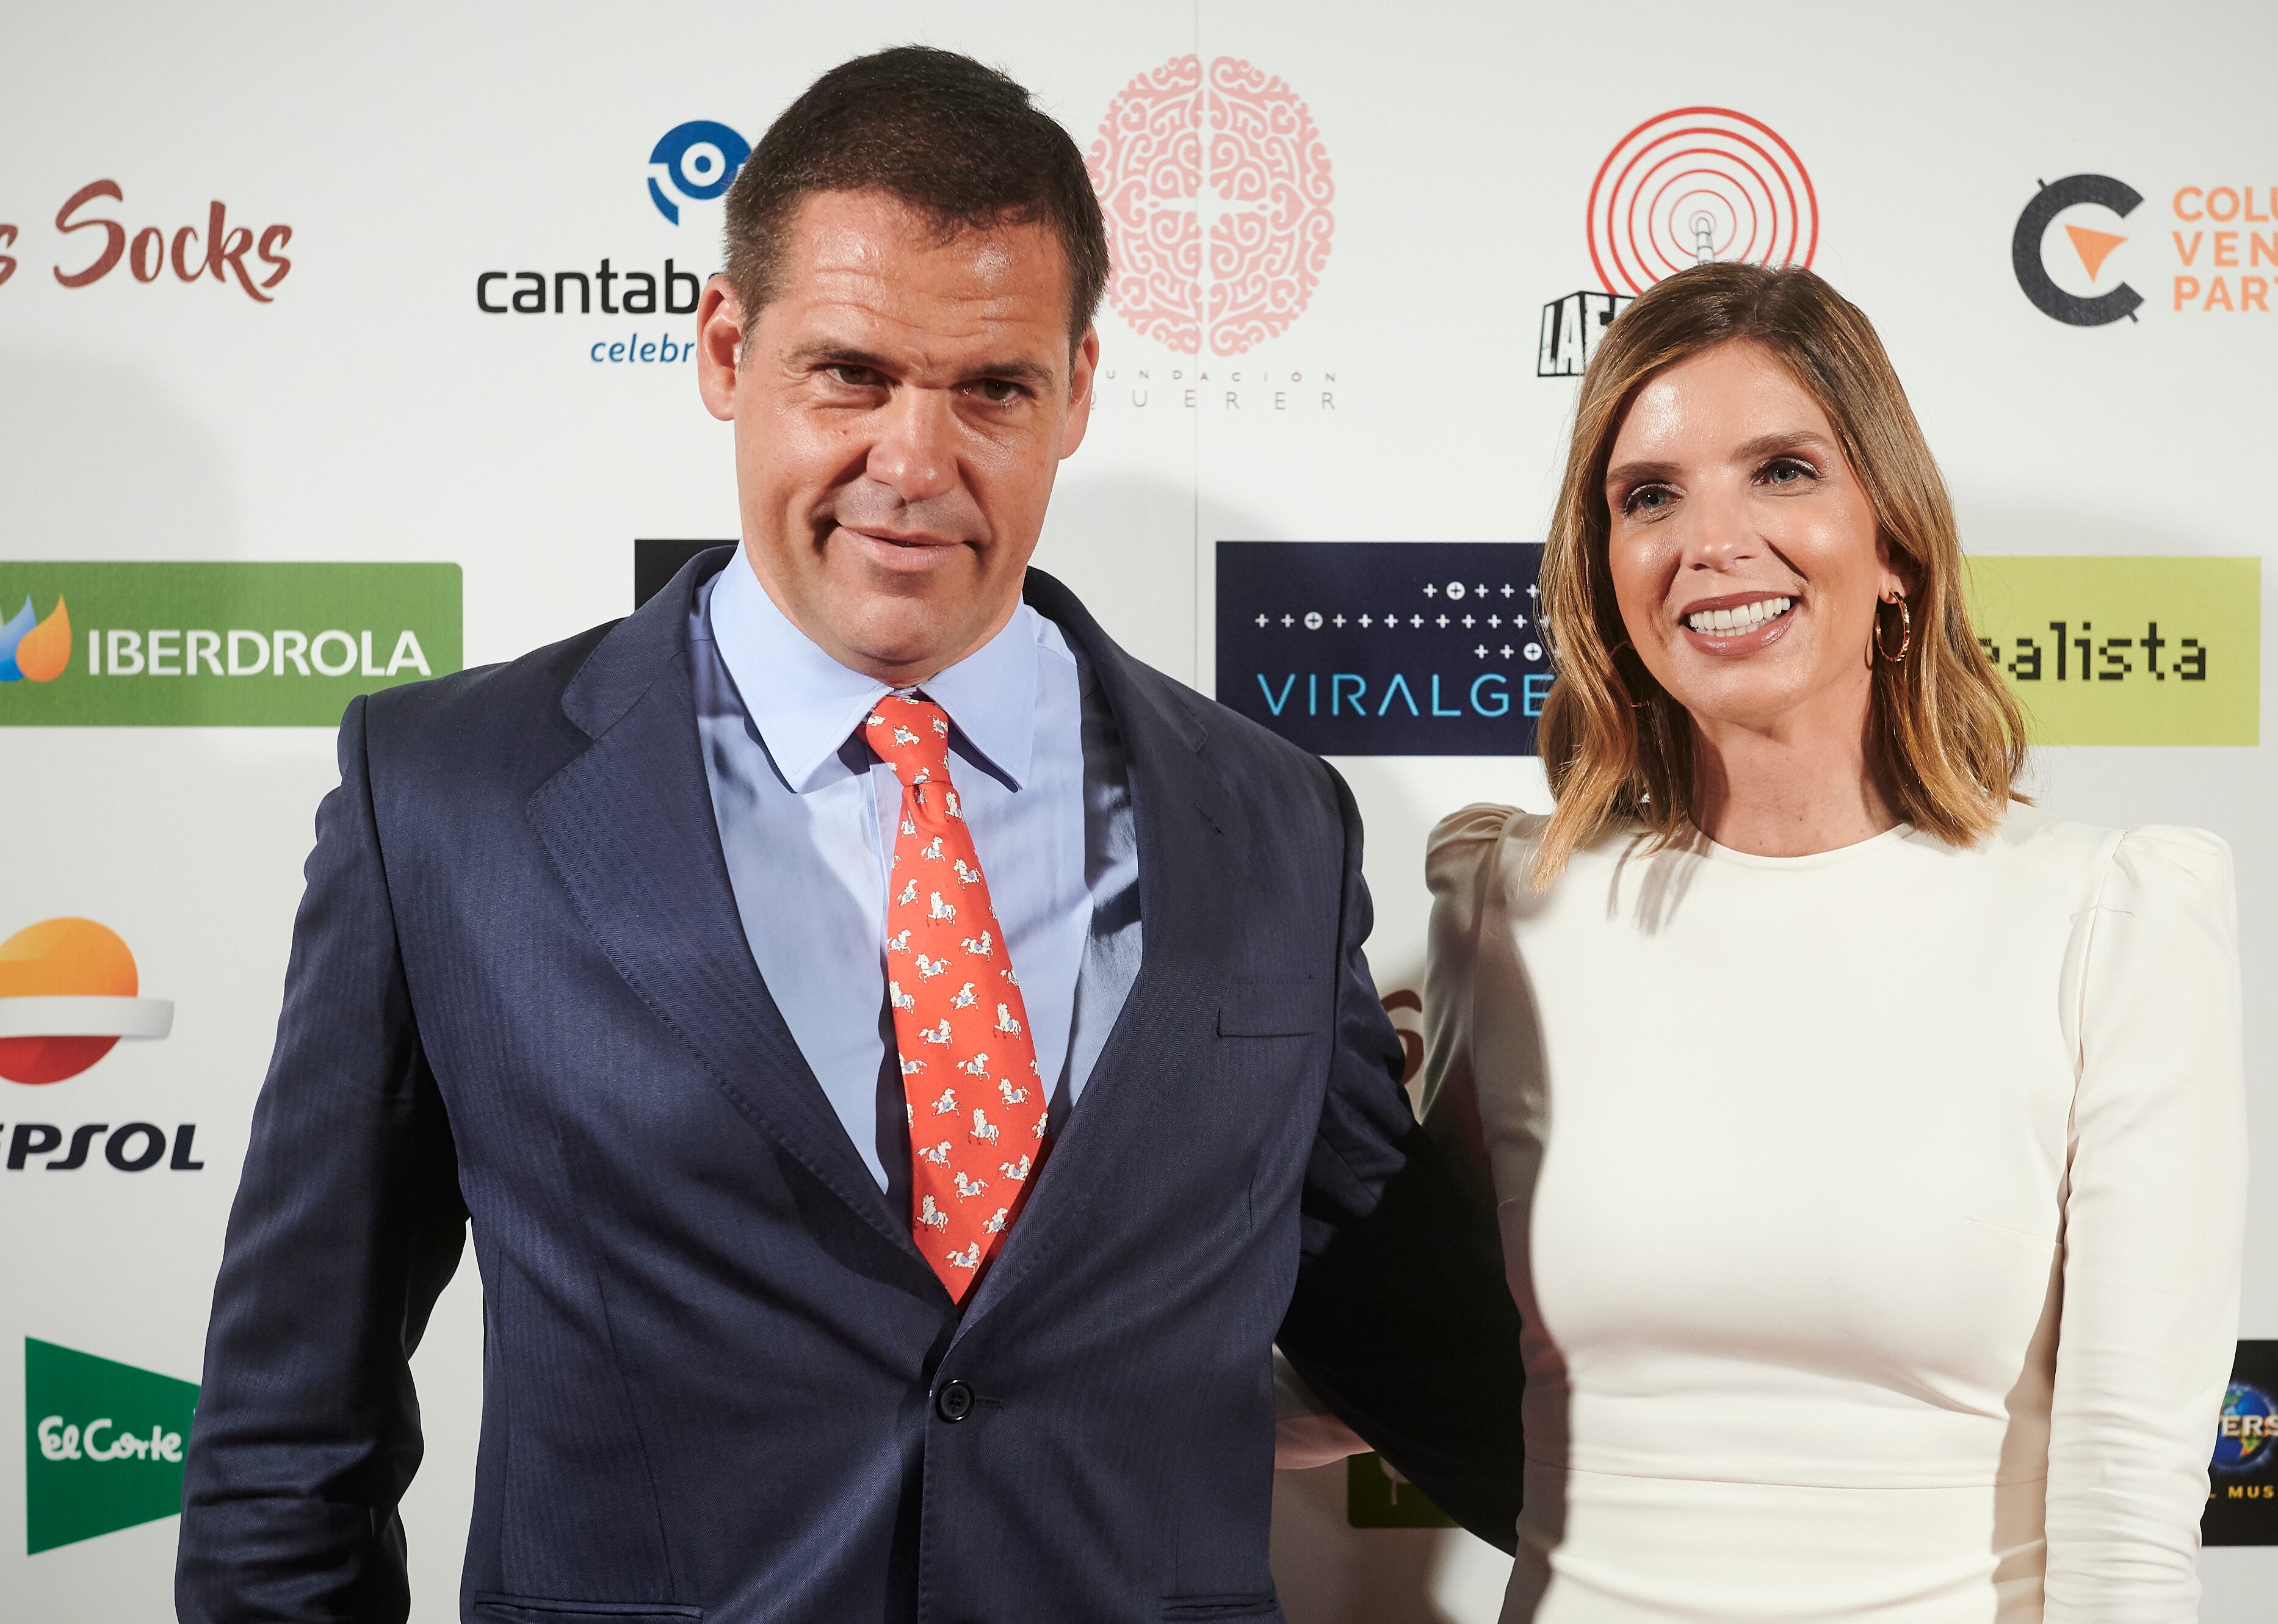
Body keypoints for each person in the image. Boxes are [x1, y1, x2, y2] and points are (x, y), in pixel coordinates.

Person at [175, 47, 1524, 1624]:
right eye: (851, 374)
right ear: (728, 347)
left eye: (992, 390)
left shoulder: (1274, 816)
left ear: (1077, 389)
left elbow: (1408, 1329)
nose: (912, 462)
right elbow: (289, 1440)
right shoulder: (447, 798)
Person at [1422, 263, 2244, 1621]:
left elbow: (2125, 1511)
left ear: (1896, 545)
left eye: (1782, 471)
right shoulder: (1510, 907)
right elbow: (1377, 1333)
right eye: (1649, 494)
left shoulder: (2104, 918)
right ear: (1602, 566)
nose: (1712, 538)